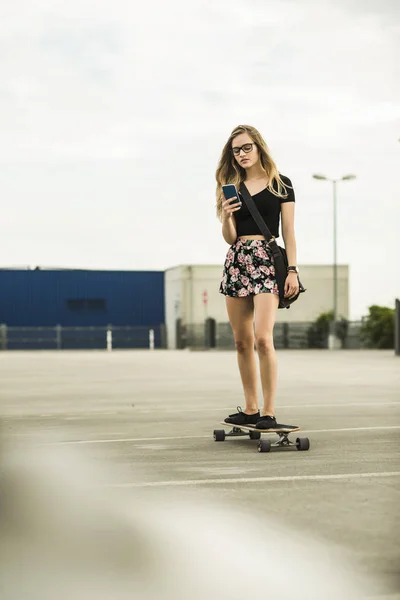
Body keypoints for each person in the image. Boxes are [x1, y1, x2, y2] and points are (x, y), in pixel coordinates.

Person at [216, 124, 299, 430]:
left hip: (267, 259)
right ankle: (250, 409)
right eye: (236, 150)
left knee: (263, 338)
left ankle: (269, 411)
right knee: (241, 342)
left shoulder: (282, 184)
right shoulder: (231, 187)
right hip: (237, 259)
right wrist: (226, 216)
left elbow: (289, 231)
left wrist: (292, 270)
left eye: (246, 147)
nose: (241, 154)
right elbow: (229, 237)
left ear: (259, 146)